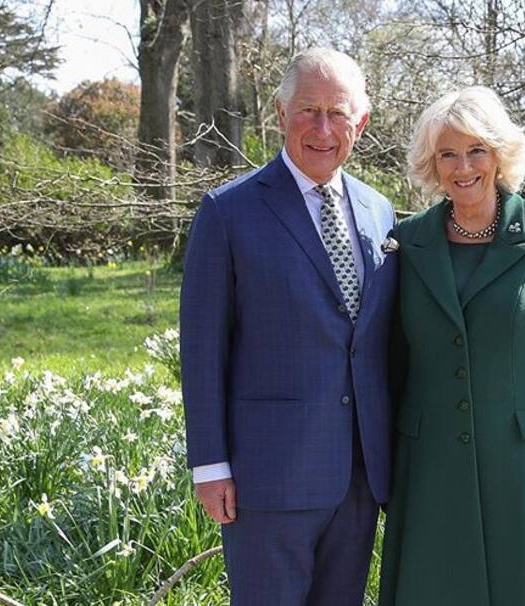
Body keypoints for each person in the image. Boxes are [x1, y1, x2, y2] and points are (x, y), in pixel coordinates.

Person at [180, 47, 398, 606]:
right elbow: (203, 351)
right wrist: (209, 465)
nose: (323, 128)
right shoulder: (227, 212)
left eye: (338, 113)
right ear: (279, 114)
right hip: (268, 478)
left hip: (358, 477)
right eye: (308, 110)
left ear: (361, 122)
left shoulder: (381, 212)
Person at [378, 86, 525, 606]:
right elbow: (391, 362)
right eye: (447, 154)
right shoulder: (408, 241)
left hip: (524, 464)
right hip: (430, 465)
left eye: (476, 150)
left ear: (499, 154)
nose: (463, 166)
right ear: (432, 164)